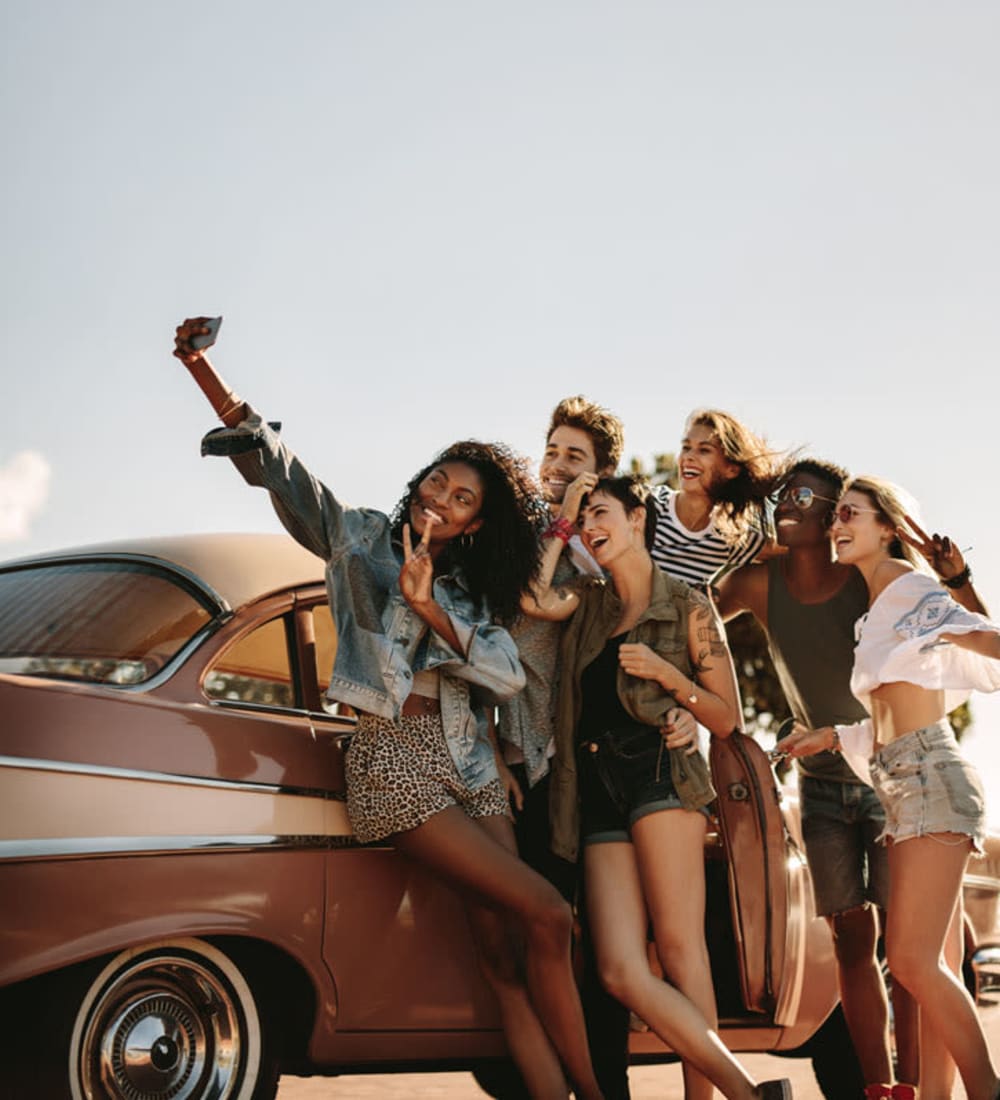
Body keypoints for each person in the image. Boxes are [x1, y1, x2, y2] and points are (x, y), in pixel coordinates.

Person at [172, 317, 605, 1100]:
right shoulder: (361, 538)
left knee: (506, 958)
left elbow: (505, 675)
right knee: (550, 914)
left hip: (472, 763)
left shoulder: (473, 588)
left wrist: (433, 607)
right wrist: (203, 368)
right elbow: (281, 470)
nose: (443, 498)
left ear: (478, 522)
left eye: (463, 497)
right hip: (392, 759)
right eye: (438, 481)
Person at [527, 471, 793, 1100]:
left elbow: (724, 718)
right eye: (584, 518)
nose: (592, 527)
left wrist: (672, 683)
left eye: (600, 513)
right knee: (618, 968)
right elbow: (533, 596)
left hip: (659, 772)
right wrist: (563, 514)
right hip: (592, 783)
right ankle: (750, 1094)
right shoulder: (586, 601)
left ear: (639, 517)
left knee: (679, 948)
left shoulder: (690, 605)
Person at [776, 475, 1000, 1100]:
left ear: (888, 527)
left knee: (909, 961)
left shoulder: (910, 590)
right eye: (835, 515)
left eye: (851, 512)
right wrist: (825, 737)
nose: (836, 524)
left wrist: (954, 584)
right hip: (902, 781)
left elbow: (989, 647)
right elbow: (886, 722)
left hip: (930, 777)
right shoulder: (880, 610)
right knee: (941, 964)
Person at [715, 459, 919, 1099]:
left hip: (890, 774)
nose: (788, 503)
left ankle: (917, 1084)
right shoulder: (756, 583)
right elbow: (691, 620)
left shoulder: (866, 578)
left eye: (804, 496)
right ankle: (878, 1087)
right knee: (852, 939)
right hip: (821, 787)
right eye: (783, 495)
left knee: (908, 947)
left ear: (835, 513)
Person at [649, 409, 777, 589]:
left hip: (683, 615)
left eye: (704, 450)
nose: (688, 457)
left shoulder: (729, 536)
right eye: (686, 447)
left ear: (731, 469)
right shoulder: (649, 504)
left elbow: (798, 551)